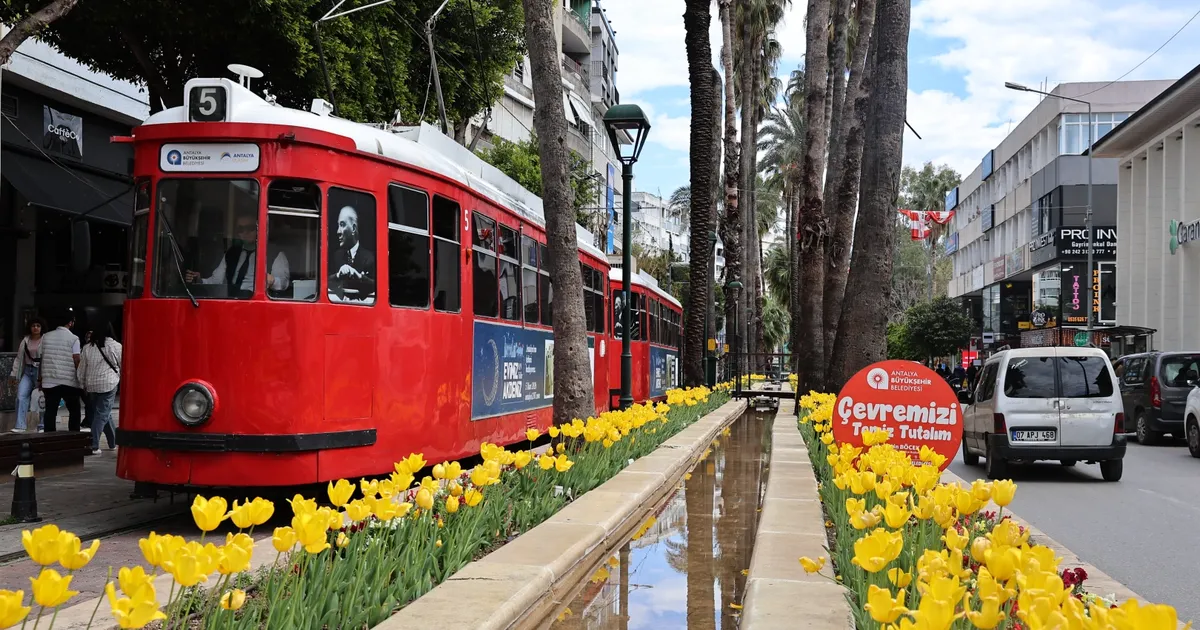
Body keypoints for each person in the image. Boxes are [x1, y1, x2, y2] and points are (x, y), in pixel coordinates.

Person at [185, 212, 290, 298]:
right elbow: (216, 280)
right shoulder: (231, 253)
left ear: (259, 229)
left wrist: (272, 280)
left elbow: (284, 284)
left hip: (256, 304)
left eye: (250, 228)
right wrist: (199, 280)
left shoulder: (275, 254)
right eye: (241, 229)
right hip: (232, 301)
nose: (245, 232)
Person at [77, 322, 121, 454]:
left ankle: (113, 442)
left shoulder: (87, 347)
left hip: (92, 385)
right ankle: (94, 445)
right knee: (101, 414)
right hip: (109, 383)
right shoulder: (115, 346)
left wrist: (82, 383)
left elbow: (82, 368)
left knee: (104, 413)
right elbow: (123, 364)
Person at [39, 309, 83, 432]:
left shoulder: (45, 337)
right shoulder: (74, 338)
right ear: (70, 322)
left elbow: (42, 358)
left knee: (50, 411)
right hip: (68, 381)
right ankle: (73, 436)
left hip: (49, 380)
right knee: (74, 410)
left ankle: (49, 438)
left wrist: (40, 378)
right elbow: (77, 360)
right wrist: (81, 379)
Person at [328, 205, 376, 302]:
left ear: (353, 228)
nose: (338, 231)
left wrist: (359, 277)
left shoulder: (370, 257)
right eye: (338, 225)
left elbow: (379, 287)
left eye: (342, 225)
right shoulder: (336, 256)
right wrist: (338, 275)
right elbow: (324, 282)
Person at [7, 317, 46, 432]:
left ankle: (42, 425)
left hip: (41, 372)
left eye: (38, 326)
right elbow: (19, 359)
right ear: (30, 327)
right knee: (21, 396)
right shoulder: (25, 340)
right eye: (33, 325)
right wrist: (14, 374)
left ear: (42, 328)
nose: (35, 328)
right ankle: (20, 425)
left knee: (42, 399)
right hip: (28, 371)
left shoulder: (45, 340)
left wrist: (45, 375)